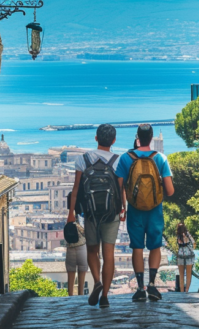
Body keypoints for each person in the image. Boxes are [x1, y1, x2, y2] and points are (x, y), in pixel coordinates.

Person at [67, 124, 125, 309]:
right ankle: (105, 296)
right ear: (113, 141)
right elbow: (121, 188)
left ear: (96, 138)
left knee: (93, 251)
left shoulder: (83, 159)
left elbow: (76, 189)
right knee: (109, 255)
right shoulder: (118, 161)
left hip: (90, 214)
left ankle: (97, 281)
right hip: (111, 214)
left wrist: (71, 213)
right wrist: (124, 209)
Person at [116, 124, 174, 302]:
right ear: (152, 137)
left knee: (137, 248)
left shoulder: (126, 158)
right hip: (155, 211)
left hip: (135, 210)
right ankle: (152, 285)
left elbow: (120, 187)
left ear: (137, 137)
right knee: (155, 247)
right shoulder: (161, 158)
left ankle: (140, 288)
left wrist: (122, 208)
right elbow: (170, 191)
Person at [64, 220, 88, 296]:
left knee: (70, 274)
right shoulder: (85, 218)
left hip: (70, 247)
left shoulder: (70, 219)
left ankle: (70, 297)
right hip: (82, 247)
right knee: (82, 275)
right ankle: (80, 295)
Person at [176, 222, 196, 293]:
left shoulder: (178, 235)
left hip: (180, 254)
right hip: (189, 254)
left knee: (181, 275)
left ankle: (182, 291)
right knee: (188, 274)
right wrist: (192, 248)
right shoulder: (187, 234)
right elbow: (193, 242)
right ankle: (187, 290)